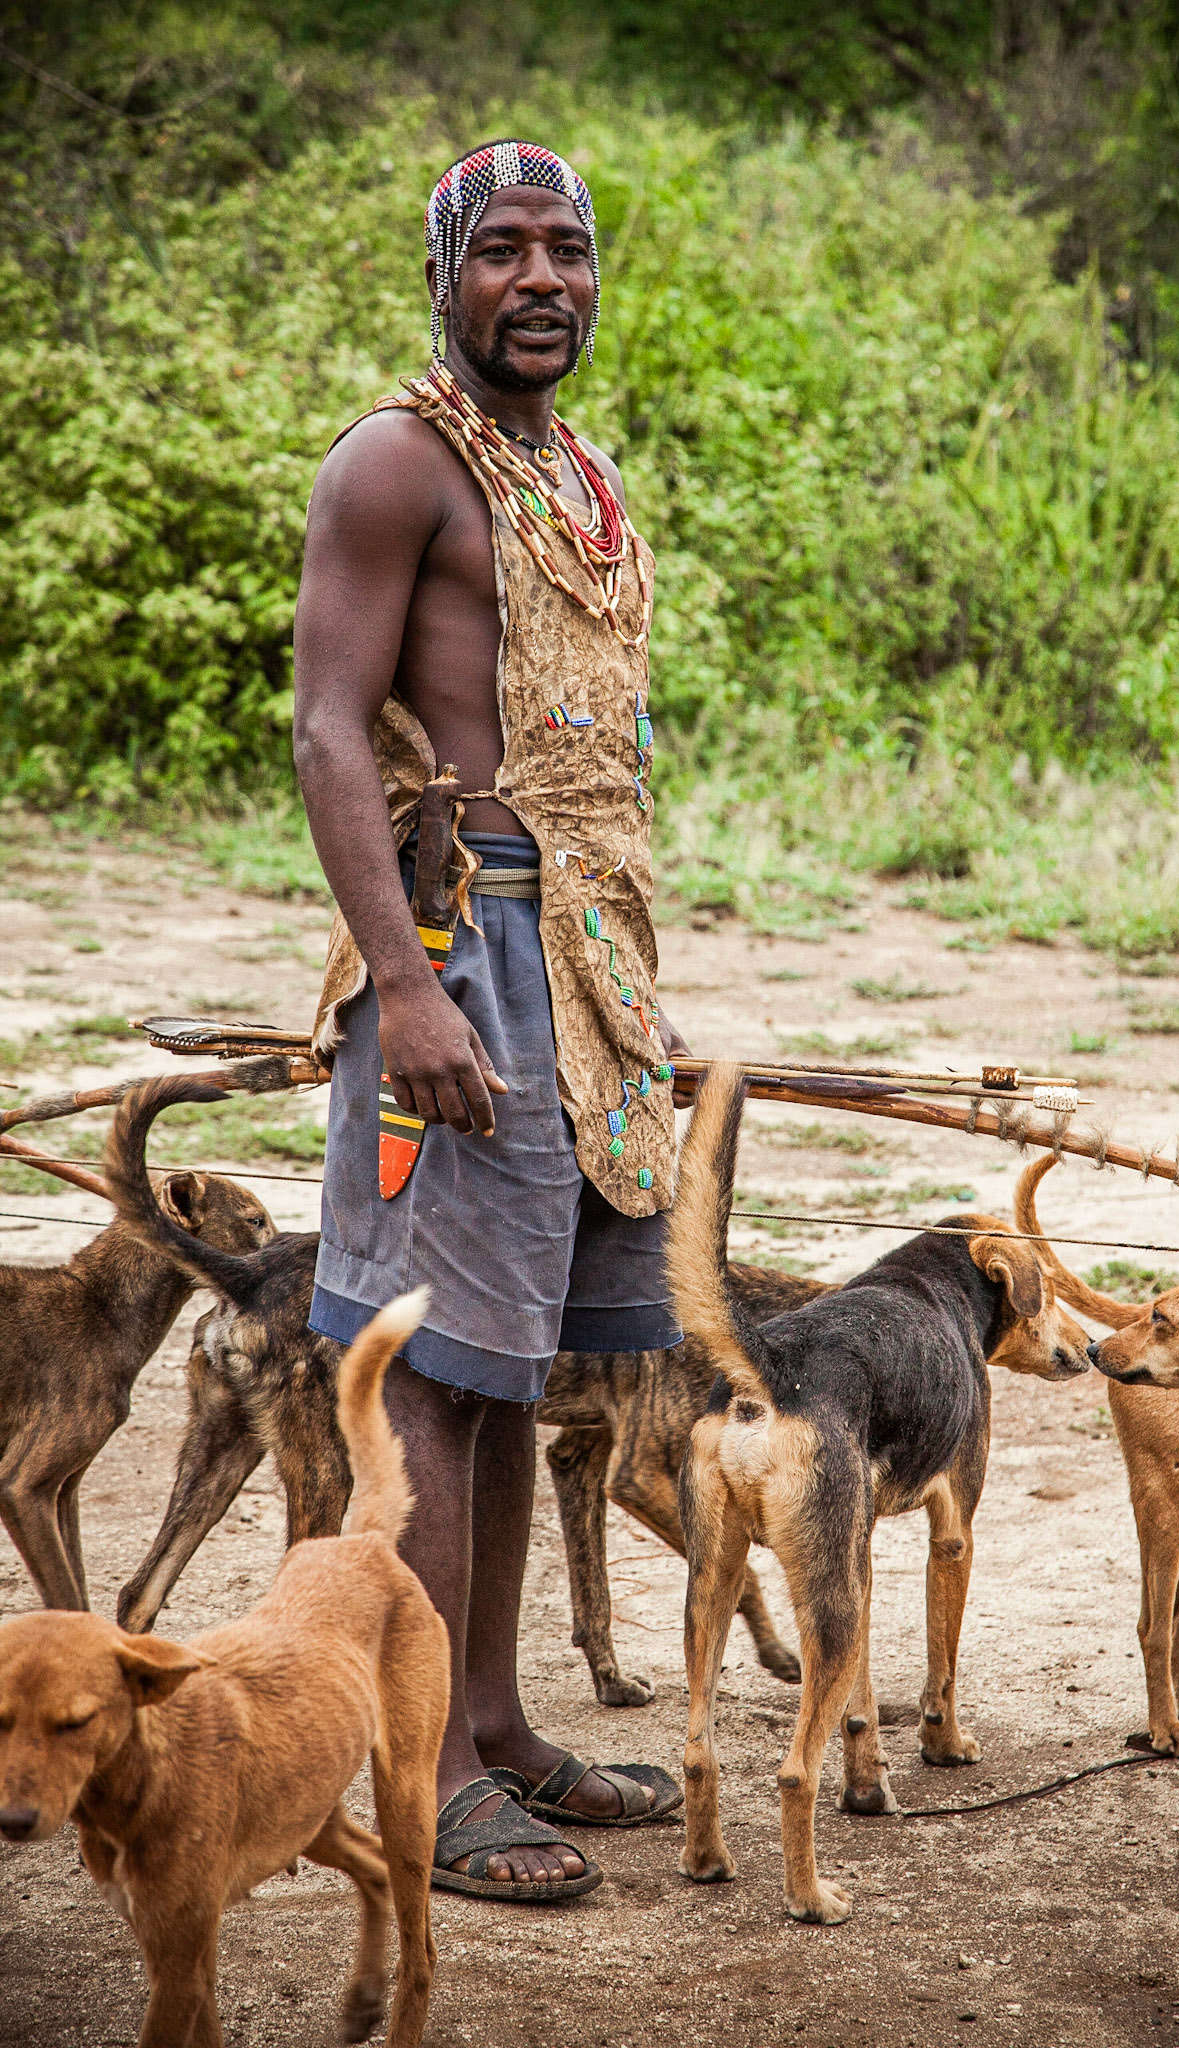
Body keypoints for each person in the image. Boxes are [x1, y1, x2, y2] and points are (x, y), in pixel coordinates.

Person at [293, 140, 687, 1901]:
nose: (542, 280)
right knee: (437, 1379)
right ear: (444, 274)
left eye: (569, 251)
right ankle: (424, 1769)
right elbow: (327, 729)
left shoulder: (571, 469)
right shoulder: (397, 463)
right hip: (462, 957)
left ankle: (502, 1724)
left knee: (514, 1370)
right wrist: (403, 985)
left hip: (589, 973)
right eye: (503, 251)